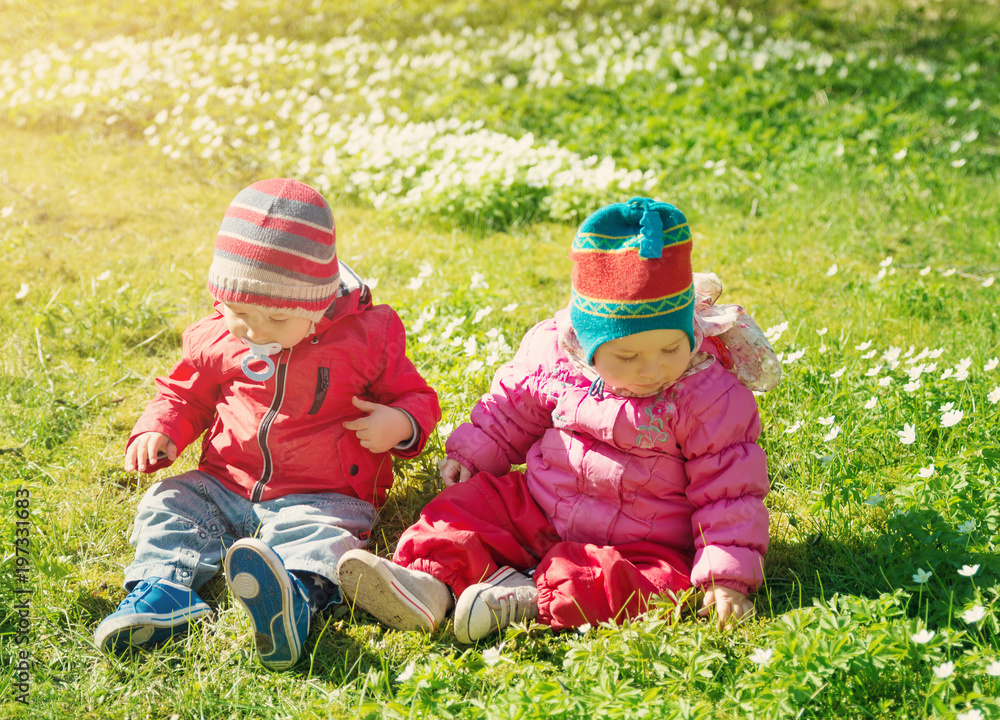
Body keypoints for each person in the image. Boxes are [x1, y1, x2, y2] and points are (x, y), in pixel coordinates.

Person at [336, 196, 780, 643]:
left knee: (654, 585)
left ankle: (522, 598)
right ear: (586, 344)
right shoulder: (557, 358)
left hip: (642, 542)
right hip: (543, 504)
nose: (652, 369)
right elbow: (510, 412)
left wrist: (726, 575)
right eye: (627, 355)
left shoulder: (706, 395)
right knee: (466, 507)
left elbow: (729, 493)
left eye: (670, 348)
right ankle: (427, 584)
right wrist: (473, 452)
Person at [94, 178, 441, 669]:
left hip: (322, 493)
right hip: (226, 481)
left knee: (323, 536)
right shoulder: (222, 335)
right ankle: (163, 593)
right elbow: (184, 391)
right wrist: (162, 427)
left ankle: (293, 601)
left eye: (277, 319)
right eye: (239, 312)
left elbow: (416, 396)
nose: (255, 330)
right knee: (170, 504)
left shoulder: (367, 336)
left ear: (318, 303)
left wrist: (400, 423)